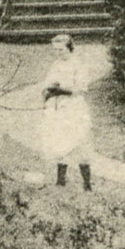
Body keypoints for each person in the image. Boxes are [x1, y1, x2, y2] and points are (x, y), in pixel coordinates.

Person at [40, 30, 94, 190]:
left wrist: (62, 89)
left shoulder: (78, 64)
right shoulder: (56, 65)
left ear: (69, 48)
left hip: (75, 106)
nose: (58, 53)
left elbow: (81, 88)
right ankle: (60, 180)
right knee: (60, 140)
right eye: (55, 50)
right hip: (59, 106)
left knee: (79, 141)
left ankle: (87, 183)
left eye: (61, 50)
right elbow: (47, 84)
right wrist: (48, 92)